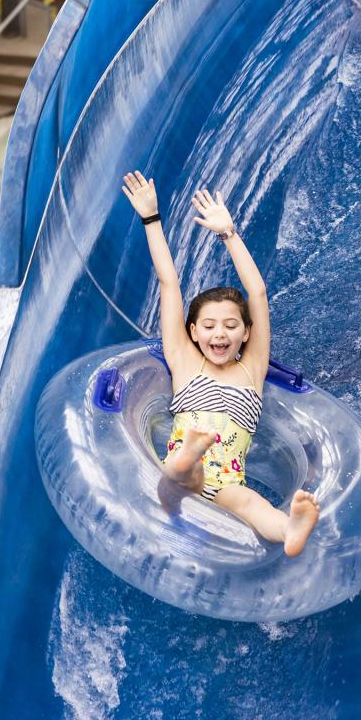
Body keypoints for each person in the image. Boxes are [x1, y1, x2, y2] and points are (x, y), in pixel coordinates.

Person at [120, 171, 319, 556]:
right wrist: (150, 218)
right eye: (209, 326)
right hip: (178, 483)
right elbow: (169, 284)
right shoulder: (185, 362)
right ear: (192, 332)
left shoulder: (251, 369)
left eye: (231, 326)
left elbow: (257, 292)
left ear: (246, 333)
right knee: (179, 474)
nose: (220, 334)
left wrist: (229, 234)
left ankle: (290, 528)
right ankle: (191, 451)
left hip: (228, 482)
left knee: (252, 505)